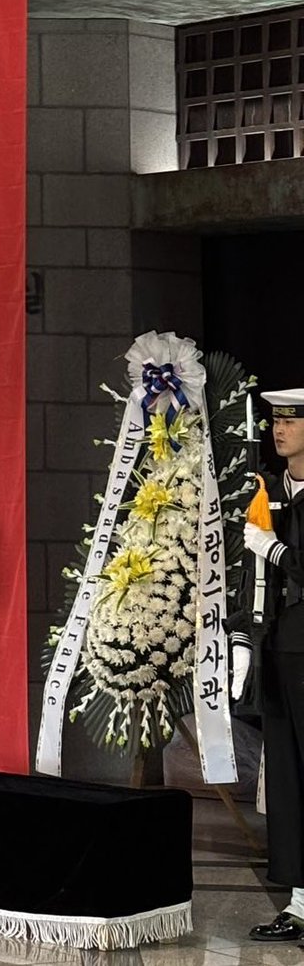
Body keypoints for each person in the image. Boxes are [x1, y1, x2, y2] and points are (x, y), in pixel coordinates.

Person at [232, 388, 304, 945]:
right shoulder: (271, 491)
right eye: (276, 420)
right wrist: (241, 639)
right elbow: (249, 577)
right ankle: (300, 903)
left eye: (291, 421)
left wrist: (273, 548)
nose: (279, 429)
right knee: (286, 780)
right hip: (279, 650)